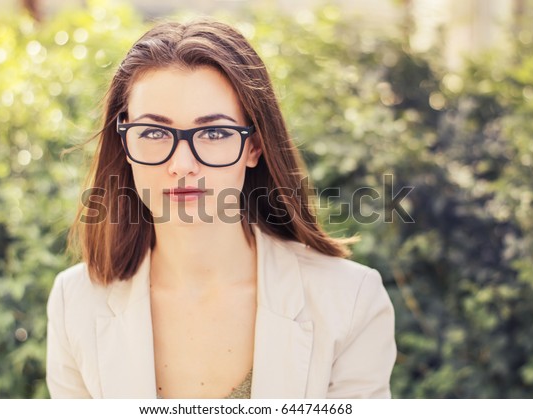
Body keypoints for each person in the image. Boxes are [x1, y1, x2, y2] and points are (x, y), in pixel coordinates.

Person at [46, 18, 396, 399]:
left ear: (254, 146)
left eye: (213, 133)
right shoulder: (75, 303)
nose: (181, 164)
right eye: (153, 132)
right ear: (124, 142)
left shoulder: (351, 300)